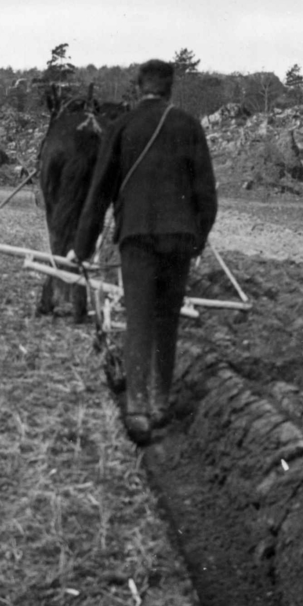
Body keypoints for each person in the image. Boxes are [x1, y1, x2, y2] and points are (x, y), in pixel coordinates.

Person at [73, 59, 217, 444]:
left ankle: (136, 409)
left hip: (136, 236)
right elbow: (207, 196)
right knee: (166, 319)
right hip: (178, 240)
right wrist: (197, 241)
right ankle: (160, 402)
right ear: (170, 88)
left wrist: (83, 247)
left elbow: (99, 191)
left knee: (138, 317)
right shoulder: (189, 126)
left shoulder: (121, 127)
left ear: (139, 88)